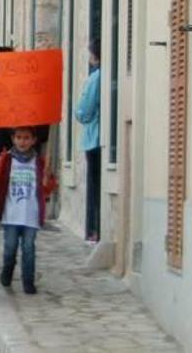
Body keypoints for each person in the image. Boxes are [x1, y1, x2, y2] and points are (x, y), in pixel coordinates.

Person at [0, 127, 56, 294]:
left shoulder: (39, 163)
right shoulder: (6, 160)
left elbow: (47, 189)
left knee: (29, 248)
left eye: (26, 138)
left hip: (30, 213)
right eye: (19, 137)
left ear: (33, 140)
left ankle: (28, 281)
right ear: (13, 139)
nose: (22, 141)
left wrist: (49, 178)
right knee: (10, 247)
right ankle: (7, 271)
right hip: (11, 213)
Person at [75, 39, 102, 242]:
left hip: (95, 138)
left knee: (95, 186)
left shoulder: (96, 77)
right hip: (102, 138)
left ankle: (95, 229)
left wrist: (79, 113)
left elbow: (84, 110)